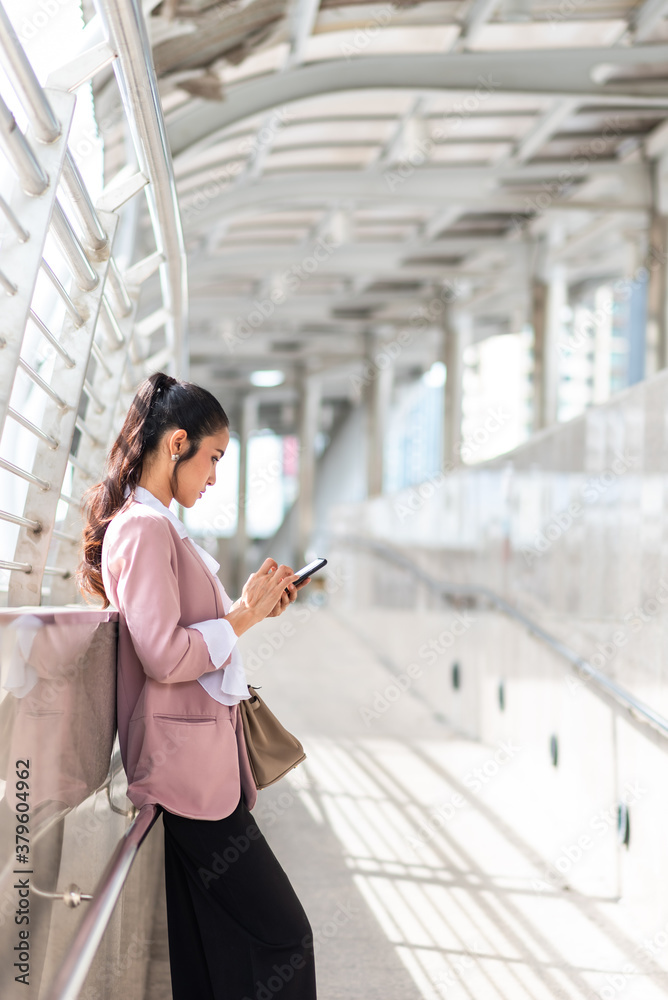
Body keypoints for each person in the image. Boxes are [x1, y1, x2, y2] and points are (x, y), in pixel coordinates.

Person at [78, 371, 318, 1000]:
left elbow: (186, 639)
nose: (214, 477)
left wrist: (252, 608)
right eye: (212, 458)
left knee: (207, 950)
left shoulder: (156, 526)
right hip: (188, 778)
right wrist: (244, 614)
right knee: (284, 937)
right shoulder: (144, 529)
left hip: (196, 771)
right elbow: (163, 654)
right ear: (177, 443)